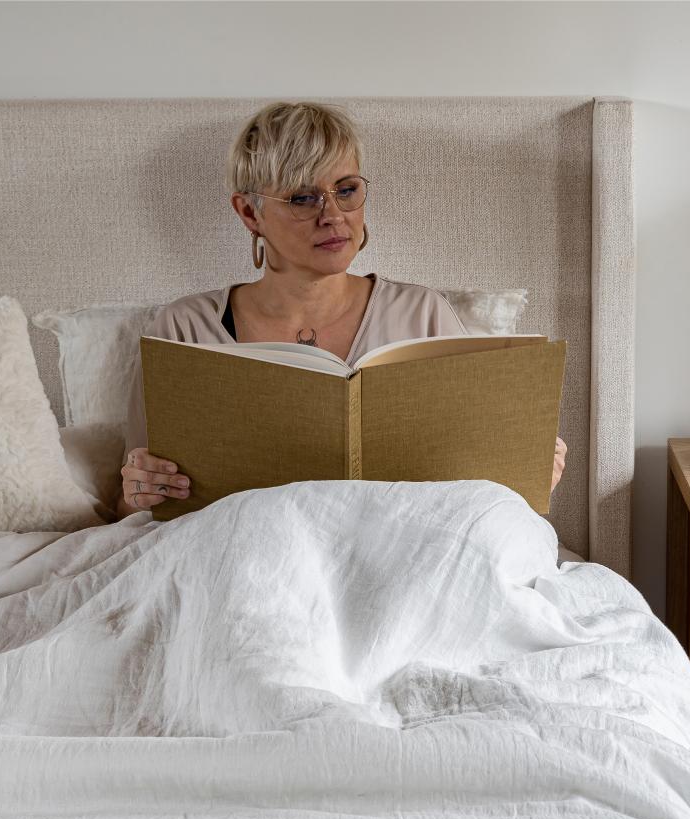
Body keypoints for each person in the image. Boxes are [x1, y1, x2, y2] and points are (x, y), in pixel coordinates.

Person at [117, 101, 566, 519]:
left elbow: (473, 489)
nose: (333, 215)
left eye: (346, 190)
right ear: (249, 214)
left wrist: (523, 469)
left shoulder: (424, 314)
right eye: (302, 198)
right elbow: (133, 512)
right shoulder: (182, 330)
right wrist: (138, 492)